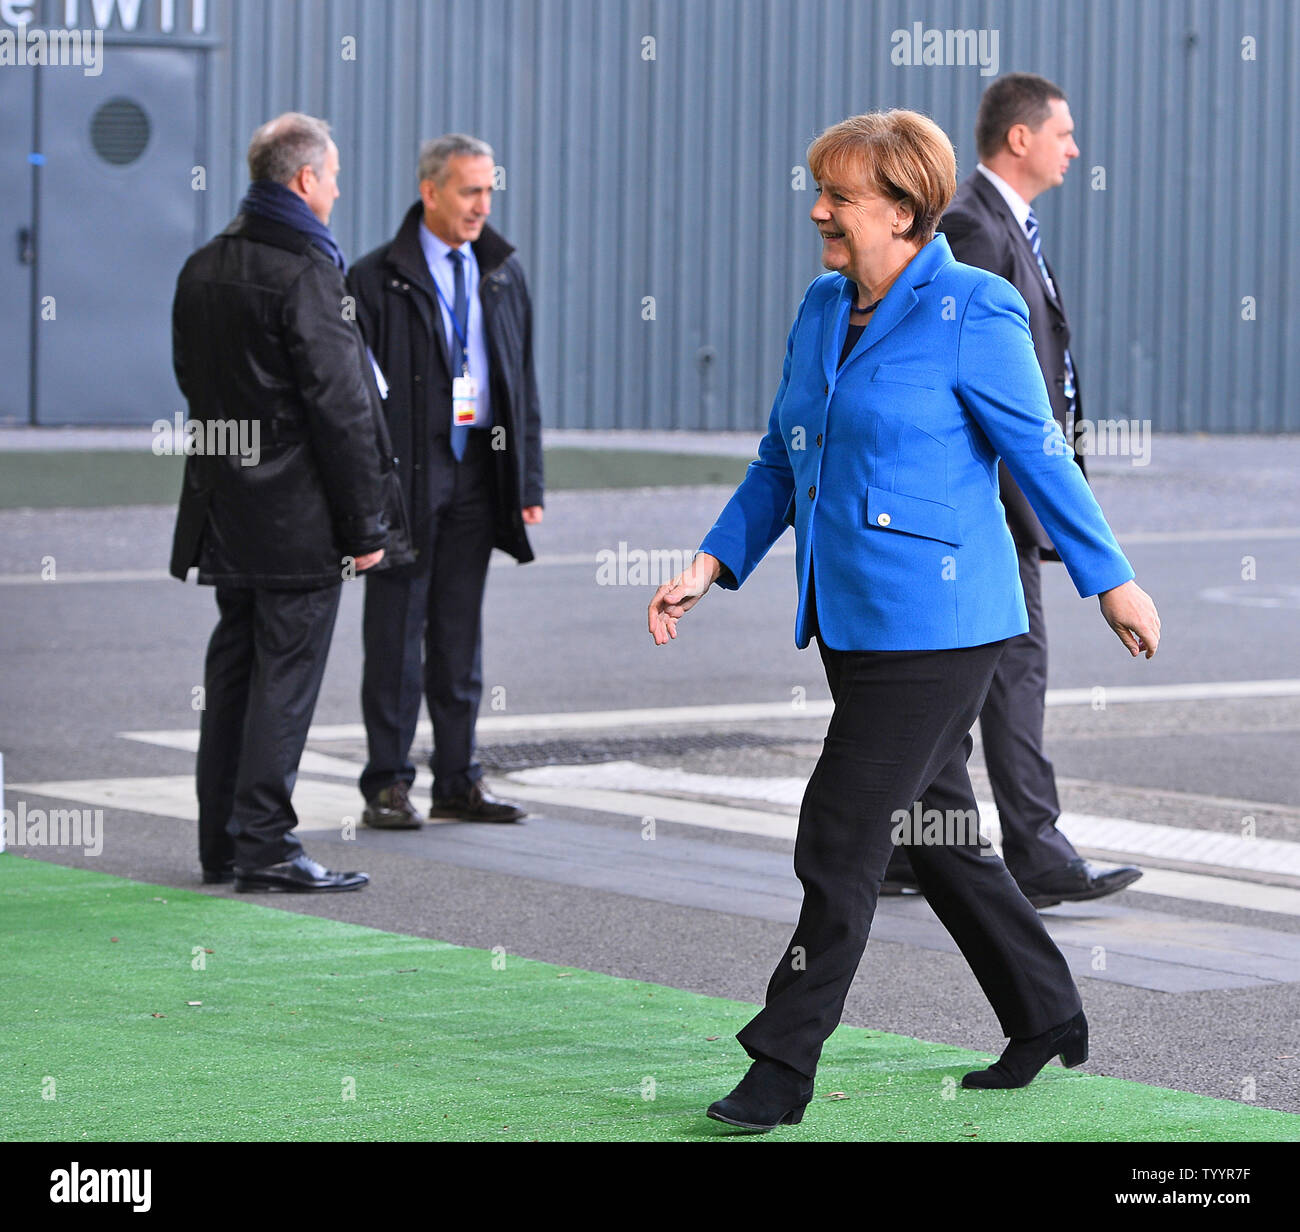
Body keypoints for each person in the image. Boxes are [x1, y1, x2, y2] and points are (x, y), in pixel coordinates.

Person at [647, 110, 1160, 1132]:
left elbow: (1038, 453)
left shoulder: (975, 306)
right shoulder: (820, 304)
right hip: (851, 617)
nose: (817, 210)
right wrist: (712, 558)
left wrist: (1109, 576)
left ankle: (781, 1062)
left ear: (904, 208)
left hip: (945, 623)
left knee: (839, 831)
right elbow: (780, 455)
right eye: (819, 191)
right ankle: (1046, 1009)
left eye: (837, 196)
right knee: (935, 832)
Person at [881, 73, 1141, 908]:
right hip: (988, 502)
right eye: (1063, 133)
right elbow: (985, 388)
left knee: (968, 678)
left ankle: (909, 845)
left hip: (1003, 501)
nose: (1074, 148)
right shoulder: (973, 228)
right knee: (1012, 668)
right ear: (1019, 139)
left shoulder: (1008, 226)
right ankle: (1036, 849)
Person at [170, 112, 410, 893]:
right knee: (285, 678)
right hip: (297, 517)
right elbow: (341, 407)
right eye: (333, 177)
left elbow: (194, 384)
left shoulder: (204, 266)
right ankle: (267, 845)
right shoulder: (308, 270)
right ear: (305, 180)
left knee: (235, 672)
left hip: (222, 507)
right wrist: (366, 523)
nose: (337, 191)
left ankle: (223, 842)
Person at [348, 134, 543, 830]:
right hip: (404, 484)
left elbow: (520, 383)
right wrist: (363, 494)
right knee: (397, 637)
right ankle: (388, 782)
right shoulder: (374, 279)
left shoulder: (502, 273)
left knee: (460, 639)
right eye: (469, 191)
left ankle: (458, 778)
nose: (481, 206)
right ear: (430, 191)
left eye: (490, 191)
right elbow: (353, 401)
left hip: (475, 478)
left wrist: (528, 480)